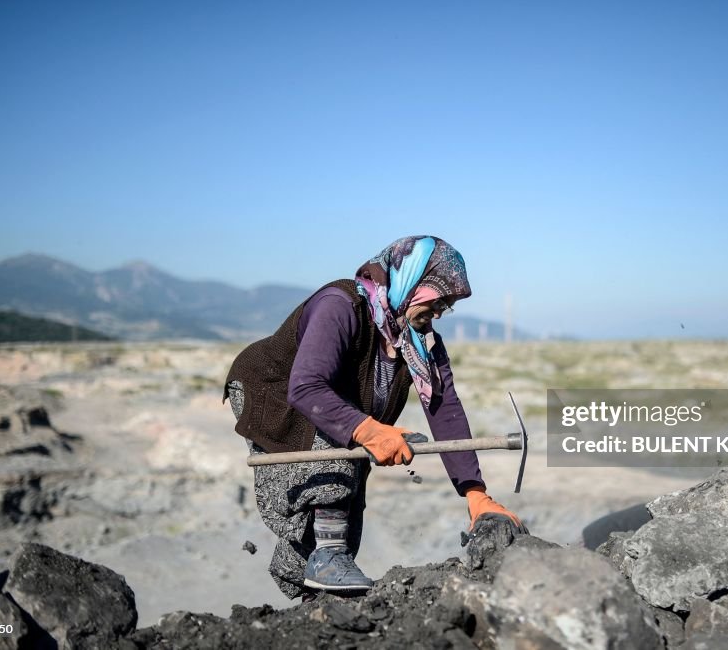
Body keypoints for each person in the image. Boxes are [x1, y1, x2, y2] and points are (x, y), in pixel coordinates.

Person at [223, 235, 524, 600]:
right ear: (411, 279)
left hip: (329, 400)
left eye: (448, 305)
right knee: (334, 462)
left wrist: (475, 493)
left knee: (346, 499)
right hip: (274, 389)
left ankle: (316, 587)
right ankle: (327, 557)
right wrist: (369, 430)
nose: (441, 311)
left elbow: (445, 409)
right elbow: (307, 387)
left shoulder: (421, 339)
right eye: (438, 298)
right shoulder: (341, 305)